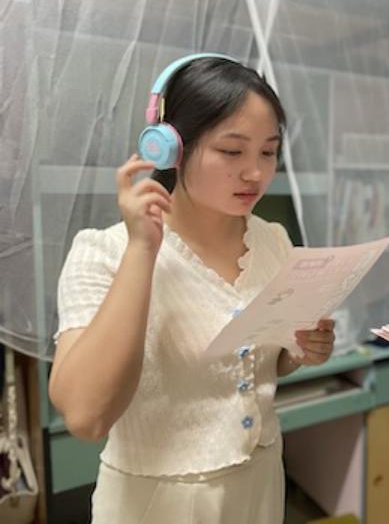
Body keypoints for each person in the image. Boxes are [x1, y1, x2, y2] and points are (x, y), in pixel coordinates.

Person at [48, 54, 335, 523]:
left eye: (268, 152)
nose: (255, 173)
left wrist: (300, 350)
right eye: (232, 151)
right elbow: (86, 415)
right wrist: (142, 249)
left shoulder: (274, 241)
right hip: (158, 504)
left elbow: (258, 364)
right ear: (171, 148)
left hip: (260, 486)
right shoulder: (103, 253)